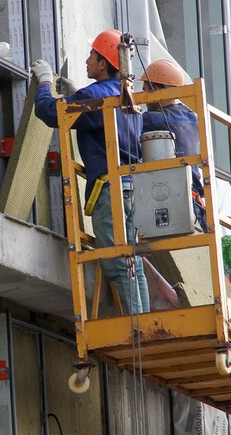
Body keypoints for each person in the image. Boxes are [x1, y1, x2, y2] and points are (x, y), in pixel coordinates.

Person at [31, 29, 149, 315]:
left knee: (117, 264)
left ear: (103, 63)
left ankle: (141, 329)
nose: (87, 60)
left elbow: (49, 112)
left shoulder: (96, 96)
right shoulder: (128, 100)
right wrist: (76, 97)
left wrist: (45, 83)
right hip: (133, 191)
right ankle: (145, 320)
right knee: (133, 262)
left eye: (92, 55)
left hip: (112, 194)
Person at [140, 59, 207, 230]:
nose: (143, 97)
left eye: (146, 90)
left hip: (172, 197)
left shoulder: (152, 119)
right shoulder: (193, 117)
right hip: (196, 201)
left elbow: (125, 125)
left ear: (156, 89)